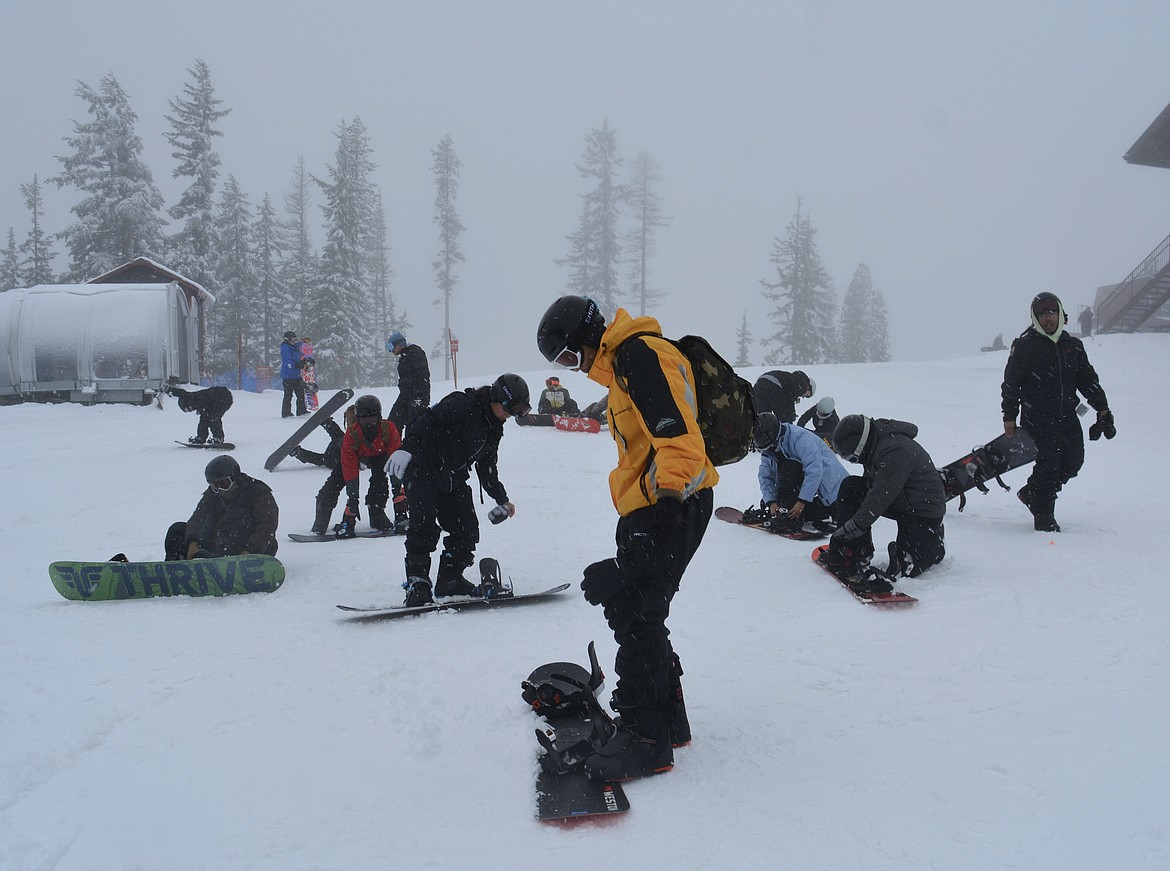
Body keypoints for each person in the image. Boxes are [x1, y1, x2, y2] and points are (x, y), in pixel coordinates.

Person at [537, 295, 717, 781]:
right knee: (638, 609)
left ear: (587, 335)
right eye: (561, 365)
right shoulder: (625, 365)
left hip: (670, 504)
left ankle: (644, 738)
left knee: (634, 609)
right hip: (653, 505)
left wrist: (664, 514)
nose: (572, 370)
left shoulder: (640, 355)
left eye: (570, 357)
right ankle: (668, 716)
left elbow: (679, 439)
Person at [387, 374, 529, 605]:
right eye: (510, 409)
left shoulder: (495, 427)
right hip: (422, 469)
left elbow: (487, 467)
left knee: (466, 529)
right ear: (497, 398)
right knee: (423, 526)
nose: (510, 415)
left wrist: (501, 499)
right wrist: (407, 448)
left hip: (452, 477)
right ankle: (418, 584)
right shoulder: (463, 404)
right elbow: (425, 420)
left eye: (517, 411)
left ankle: (450, 581)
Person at [1001, 292, 1113, 533]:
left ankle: (1033, 492)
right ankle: (1043, 513)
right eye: (1042, 314)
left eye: (1052, 312)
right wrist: (1009, 416)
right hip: (1037, 417)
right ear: (1035, 318)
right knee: (1049, 463)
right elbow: (1011, 384)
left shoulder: (1073, 346)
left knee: (1073, 461)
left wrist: (1102, 409)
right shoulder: (1025, 345)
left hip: (1067, 416)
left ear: (1061, 314)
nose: (1048, 318)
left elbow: (1088, 380)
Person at [819, 414, 946, 580]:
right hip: (902, 501)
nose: (854, 462)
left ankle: (933, 545)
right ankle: (856, 551)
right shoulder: (875, 445)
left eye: (852, 458)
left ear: (860, 446)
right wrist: (847, 537)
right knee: (852, 487)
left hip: (923, 511)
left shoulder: (896, 449)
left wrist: (851, 528)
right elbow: (869, 489)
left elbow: (879, 497)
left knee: (908, 568)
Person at [310, 395, 401, 537]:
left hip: (379, 455)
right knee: (330, 489)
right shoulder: (352, 435)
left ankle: (376, 515)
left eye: (372, 418)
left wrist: (398, 493)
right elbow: (349, 468)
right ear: (358, 419)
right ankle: (319, 525)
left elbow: (395, 461)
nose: (368, 423)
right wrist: (352, 501)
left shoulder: (388, 429)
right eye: (364, 419)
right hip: (350, 456)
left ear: (379, 416)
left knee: (380, 483)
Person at [164, 455, 279, 560]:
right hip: (218, 543)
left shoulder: (257, 492)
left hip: (255, 547)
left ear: (235, 478)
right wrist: (193, 543)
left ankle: (218, 562)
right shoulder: (212, 495)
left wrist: (249, 550)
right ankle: (177, 563)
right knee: (178, 529)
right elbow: (199, 518)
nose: (218, 490)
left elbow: (266, 525)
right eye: (214, 486)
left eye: (223, 484)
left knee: (236, 516)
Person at [752, 411, 847, 532]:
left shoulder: (801, 439)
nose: (768, 451)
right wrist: (771, 501)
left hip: (832, 489)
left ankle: (795, 515)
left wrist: (802, 502)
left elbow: (815, 470)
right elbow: (765, 476)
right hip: (812, 490)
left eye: (769, 447)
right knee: (781, 488)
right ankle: (789, 513)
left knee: (789, 467)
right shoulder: (769, 449)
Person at [386, 331, 431, 529]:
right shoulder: (406, 356)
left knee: (413, 425)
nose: (391, 352)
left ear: (399, 344)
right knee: (393, 422)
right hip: (408, 395)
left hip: (415, 396)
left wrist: (417, 397)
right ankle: (395, 447)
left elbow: (420, 376)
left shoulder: (414, 353)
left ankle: (412, 450)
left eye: (391, 347)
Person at [164, 379, 234, 445]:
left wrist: (170, 390)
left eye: (188, 409)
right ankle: (203, 438)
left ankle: (218, 438)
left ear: (187, 404)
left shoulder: (193, 398)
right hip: (217, 399)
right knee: (206, 418)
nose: (190, 410)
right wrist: (201, 438)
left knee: (214, 418)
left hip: (223, 397)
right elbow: (203, 422)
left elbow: (182, 393)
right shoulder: (198, 403)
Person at [290, 406, 355, 469]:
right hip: (340, 454)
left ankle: (328, 424)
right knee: (322, 459)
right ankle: (298, 453)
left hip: (339, 452)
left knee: (337, 437)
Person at [280, 331, 308, 418]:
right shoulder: (286, 348)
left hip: (296, 375)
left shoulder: (294, 346)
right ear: (287, 339)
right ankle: (286, 413)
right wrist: (296, 365)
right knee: (288, 395)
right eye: (292, 339)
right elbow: (287, 361)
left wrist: (304, 342)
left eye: (295, 339)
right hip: (288, 376)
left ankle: (302, 410)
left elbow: (299, 345)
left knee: (300, 394)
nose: (294, 340)